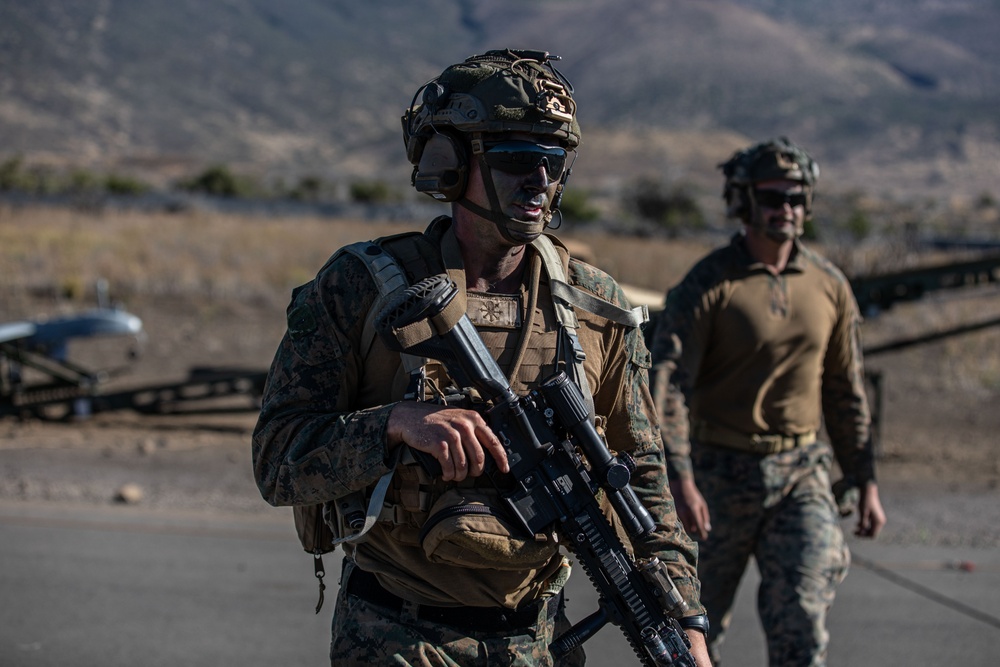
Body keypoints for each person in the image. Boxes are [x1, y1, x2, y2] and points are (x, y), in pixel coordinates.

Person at [252, 49, 712, 666]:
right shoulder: (361, 286)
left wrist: (686, 619)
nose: (540, 183)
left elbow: (643, 476)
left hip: (537, 639)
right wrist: (395, 425)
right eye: (519, 160)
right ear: (449, 164)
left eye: (553, 163)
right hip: (397, 635)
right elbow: (278, 459)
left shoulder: (596, 306)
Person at [649, 137, 886, 666]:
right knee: (694, 632)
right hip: (716, 475)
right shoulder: (708, 285)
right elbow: (669, 387)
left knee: (802, 620)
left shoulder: (829, 286)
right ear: (744, 202)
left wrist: (864, 479)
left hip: (801, 472)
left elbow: (846, 391)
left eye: (797, 198)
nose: (787, 210)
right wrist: (681, 481)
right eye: (773, 197)